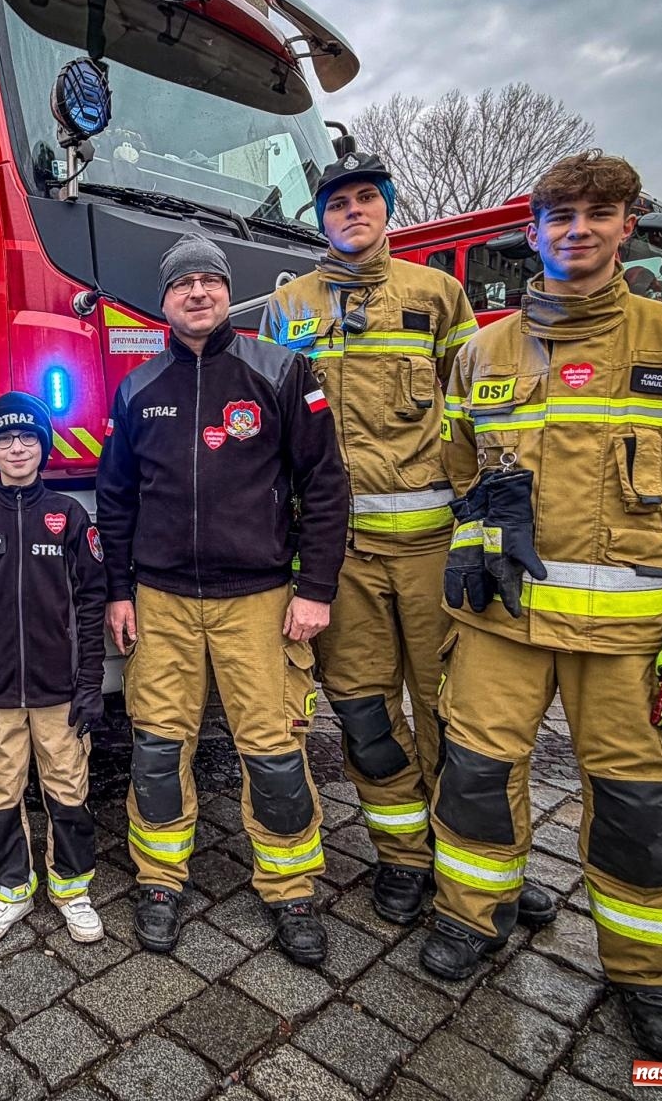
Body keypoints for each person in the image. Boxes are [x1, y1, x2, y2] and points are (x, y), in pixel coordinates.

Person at [424, 153, 662, 1063]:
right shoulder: (484, 348)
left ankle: (647, 974)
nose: (577, 230)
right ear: (533, 232)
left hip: (626, 632)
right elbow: (460, 463)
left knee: (636, 803)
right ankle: (470, 916)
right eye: (559, 215)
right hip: (503, 620)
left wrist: (661, 550)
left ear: (625, 225)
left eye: (598, 214)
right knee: (479, 773)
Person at [260, 154, 560, 931]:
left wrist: (482, 531)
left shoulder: (438, 293)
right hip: (336, 558)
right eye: (337, 202)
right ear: (319, 216)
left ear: (387, 209)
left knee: (453, 713)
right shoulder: (286, 306)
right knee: (362, 712)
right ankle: (403, 856)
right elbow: (270, 429)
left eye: (367, 199)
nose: (352, 211)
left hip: (433, 549)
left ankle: (476, 859)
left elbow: (474, 422)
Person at [96, 232, 349, 960]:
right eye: (183, 285)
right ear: (165, 301)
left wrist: (317, 589)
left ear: (226, 293)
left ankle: (291, 887)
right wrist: (120, 593)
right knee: (156, 747)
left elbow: (325, 487)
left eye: (209, 281)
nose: (197, 293)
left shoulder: (280, 370)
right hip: (162, 600)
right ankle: (158, 880)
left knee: (272, 751)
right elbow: (116, 503)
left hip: (261, 600)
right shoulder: (139, 387)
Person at [0, 392, 107, 947]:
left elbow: (92, 604)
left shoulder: (69, 516)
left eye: (26, 438)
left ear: (44, 446)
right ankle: (9, 890)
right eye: (4, 439)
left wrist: (91, 685)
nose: (16, 448)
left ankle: (71, 888)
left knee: (68, 789)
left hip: (59, 692)